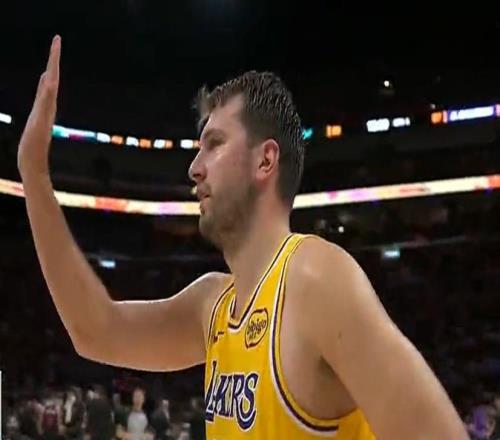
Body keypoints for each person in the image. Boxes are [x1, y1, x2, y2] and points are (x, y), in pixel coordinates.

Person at [17, 35, 470, 439]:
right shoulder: (212, 305)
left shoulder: (315, 280)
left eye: (214, 144)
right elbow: (95, 331)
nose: (194, 168)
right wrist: (35, 175)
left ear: (265, 161)